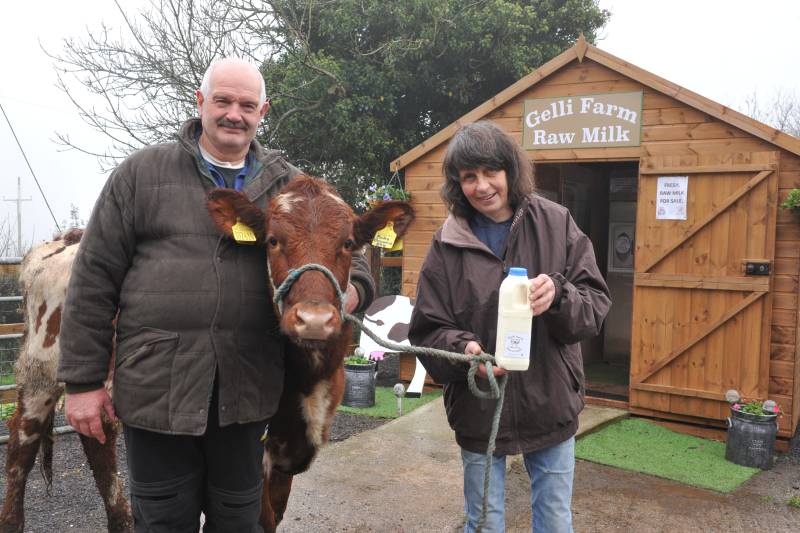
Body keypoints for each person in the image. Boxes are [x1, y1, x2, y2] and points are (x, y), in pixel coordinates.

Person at [57, 58, 376, 532]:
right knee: (163, 520)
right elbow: (93, 278)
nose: (234, 114)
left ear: (262, 111)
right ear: (200, 102)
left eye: (247, 105)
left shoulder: (290, 185)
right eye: (223, 101)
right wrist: (82, 383)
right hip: (157, 386)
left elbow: (352, 247)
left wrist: (349, 293)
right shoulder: (142, 175)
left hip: (246, 390)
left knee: (238, 519)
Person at [408, 120, 611, 533]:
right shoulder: (446, 243)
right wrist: (463, 352)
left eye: (490, 172)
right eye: (469, 177)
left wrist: (559, 295)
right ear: (456, 183)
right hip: (480, 407)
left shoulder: (557, 223)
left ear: (511, 172)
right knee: (484, 522)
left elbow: (595, 306)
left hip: (550, 400)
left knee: (554, 520)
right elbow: (427, 330)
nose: (481, 186)